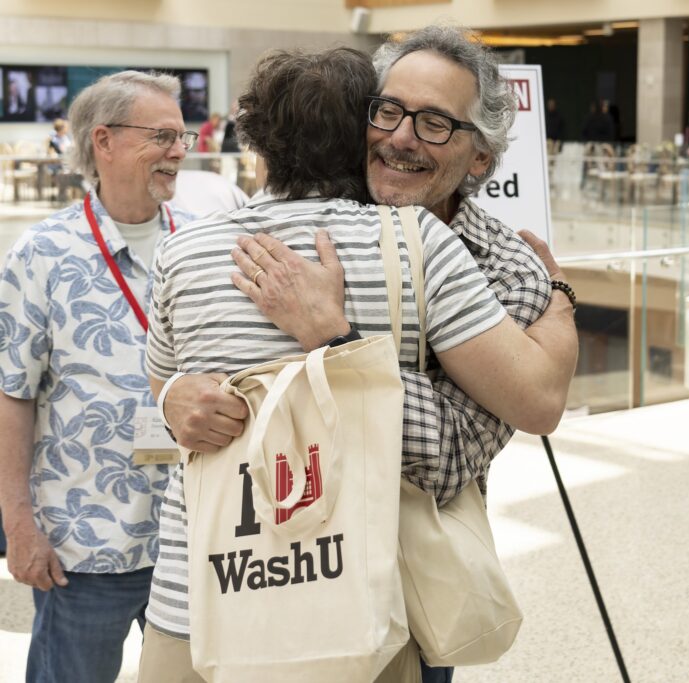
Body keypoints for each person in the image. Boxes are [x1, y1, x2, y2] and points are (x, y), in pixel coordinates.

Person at [146, 29, 578, 682]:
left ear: (481, 156)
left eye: (435, 123)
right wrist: (172, 393)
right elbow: (162, 380)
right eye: (388, 111)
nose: (401, 137)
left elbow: (466, 445)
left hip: (394, 581)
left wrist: (339, 342)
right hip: (238, 578)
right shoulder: (332, 229)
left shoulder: (501, 265)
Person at [0, 70, 196, 683]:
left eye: (182, 136)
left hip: (191, 537)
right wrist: (18, 525)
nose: (179, 151)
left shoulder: (199, 246)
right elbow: (12, 394)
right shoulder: (42, 253)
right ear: (104, 142)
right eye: (162, 135)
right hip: (82, 543)